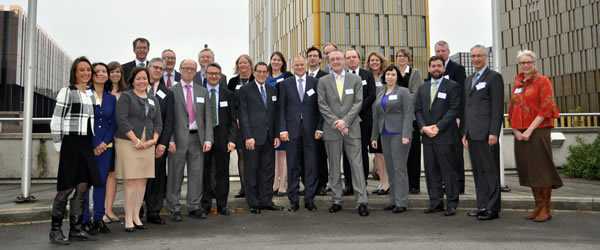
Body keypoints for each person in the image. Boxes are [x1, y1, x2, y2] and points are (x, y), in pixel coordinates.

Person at [49, 56, 99, 244]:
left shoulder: (91, 94)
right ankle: (55, 230)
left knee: (83, 186)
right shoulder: (66, 91)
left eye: (88, 70)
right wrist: (59, 145)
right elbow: (56, 120)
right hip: (71, 143)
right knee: (66, 187)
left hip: (86, 144)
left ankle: (76, 229)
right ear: (75, 73)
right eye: (81, 70)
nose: (86, 73)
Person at [508, 50, 562, 222]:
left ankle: (546, 208)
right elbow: (512, 109)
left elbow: (546, 108)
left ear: (534, 63)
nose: (525, 65)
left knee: (542, 169)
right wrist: (516, 131)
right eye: (522, 62)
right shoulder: (517, 83)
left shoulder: (542, 81)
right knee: (529, 170)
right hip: (521, 133)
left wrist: (529, 130)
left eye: (528, 62)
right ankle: (538, 205)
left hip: (538, 131)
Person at [317, 49, 369, 216]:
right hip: (332, 129)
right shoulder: (323, 81)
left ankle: (362, 201)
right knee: (333, 166)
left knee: (357, 165)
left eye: (339, 58)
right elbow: (322, 104)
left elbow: (358, 102)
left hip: (352, 128)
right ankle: (336, 200)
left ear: (345, 61)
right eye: (333, 59)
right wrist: (337, 123)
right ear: (328, 62)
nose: (336, 61)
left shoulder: (356, 79)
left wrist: (345, 121)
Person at [163, 59, 213, 222]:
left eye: (193, 69)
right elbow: (168, 119)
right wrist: (169, 139)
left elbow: (208, 118)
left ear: (196, 71)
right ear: (180, 70)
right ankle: (174, 207)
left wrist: (208, 139)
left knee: (196, 174)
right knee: (175, 174)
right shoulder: (172, 91)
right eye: (186, 68)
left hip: (197, 138)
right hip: (177, 139)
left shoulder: (202, 91)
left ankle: (194, 206)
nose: (189, 71)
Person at [115, 67, 162, 232]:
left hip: (148, 143)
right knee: (131, 181)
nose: (142, 81)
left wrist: (154, 140)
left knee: (142, 181)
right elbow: (121, 119)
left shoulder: (152, 99)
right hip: (129, 143)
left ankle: (136, 216)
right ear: (132, 80)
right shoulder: (126, 97)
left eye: (145, 78)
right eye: (139, 78)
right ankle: (128, 218)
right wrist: (135, 140)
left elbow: (158, 122)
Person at [461, 45, 504, 221]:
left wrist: (494, 132)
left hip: (487, 134)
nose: (476, 59)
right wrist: (464, 132)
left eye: (479, 55)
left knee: (490, 172)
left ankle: (493, 209)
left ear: (486, 57)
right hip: (472, 134)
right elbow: (466, 108)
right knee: (478, 172)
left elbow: (497, 108)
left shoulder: (494, 77)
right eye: (473, 56)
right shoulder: (469, 79)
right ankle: (482, 206)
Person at [415, 56, 461, 217]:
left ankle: (452, 203)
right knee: (431, 170)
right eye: (433, 66)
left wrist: (438, 127)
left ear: (443, 68)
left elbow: (454, 109)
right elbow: (418, 110)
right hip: (427, 136)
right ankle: (435, 202)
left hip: (445, 136)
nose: (436, 68)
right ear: (428, 68)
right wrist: (423, 127)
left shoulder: (452, 86)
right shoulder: (422, 88)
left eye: (439, 66)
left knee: (448, 171)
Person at [278, 55, 322, 212]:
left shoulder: (315, 83)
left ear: (306, 65)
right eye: (296, 65)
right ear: (292, 66)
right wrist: (282, 129)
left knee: (311, 166)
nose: (299, 67)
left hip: (311, 131)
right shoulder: (285, 84)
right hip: (291, 131)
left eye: (301, 64)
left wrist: (319, 127)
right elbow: (281, 109)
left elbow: (320, 108)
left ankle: (310, 199)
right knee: (293, 166)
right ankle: (294, 200)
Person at [238, 62, 283, 214]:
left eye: (265, 72)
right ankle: (253, 202)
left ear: (268, 73)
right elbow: (243, 115)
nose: (262, 74)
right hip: (252, 139)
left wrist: (276, 134)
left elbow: (275, 114)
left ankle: (266, 200)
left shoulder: (272, 89)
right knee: (252, 170)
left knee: (268, 170)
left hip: (269, 137)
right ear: (254, 72)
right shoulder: (245, 90)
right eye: (259, 71)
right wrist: (248, 136)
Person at [370, 65, 414, 214]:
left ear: (397, 77)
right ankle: (393, 200)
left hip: (399, 134)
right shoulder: (380, 92)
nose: (390, 77)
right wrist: (374, 136)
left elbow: (408, 114)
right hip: (384, 134)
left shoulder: (403, 92)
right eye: (388, 74)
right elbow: (376, 116)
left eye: (393, 74)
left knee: (399, 168)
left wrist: (406, 134)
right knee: (390, 169)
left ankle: (402, 202)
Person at [81, 62, 116, 235]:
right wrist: (93, 145)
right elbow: (84, 121)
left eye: (105, 71)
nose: (101, 74)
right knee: (86, 184)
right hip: (88, 147)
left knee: (101, 182)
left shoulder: (111, 98)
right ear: (92, 75)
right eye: (98, 71)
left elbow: (113, 123)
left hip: (106, 147)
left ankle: (98, 219)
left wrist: (104, 143)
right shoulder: (85, 95)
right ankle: (85, 220)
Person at [200, 63, 238, 216]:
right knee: (205, 172)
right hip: (204, 139)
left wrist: (232, 140)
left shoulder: (228, 94)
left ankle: (222, 205)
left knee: (222, 173)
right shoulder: (200, 93)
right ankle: (205, 204)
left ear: (221, 75)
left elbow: (233, 120)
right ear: (205, 75)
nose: (213, 76)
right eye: (210, 73)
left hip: (223, 139)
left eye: (216, 73)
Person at [434, 40, 467, 194]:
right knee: (443, 153)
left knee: (456, 153)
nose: (440, 54)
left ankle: (459, 185)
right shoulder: (434, 70)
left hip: (455, 117)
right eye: (438, 51)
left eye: (443, 51)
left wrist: (459, 116)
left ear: (448, 51)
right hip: (439, 119)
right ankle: (444, 184)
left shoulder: (458, 69)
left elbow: (462, 94)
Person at [342, 49, 376, 196]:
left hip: (363, 120)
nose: (351, 59)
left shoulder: (367, 75)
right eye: (348, 57)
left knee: (361, 152)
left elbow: (372, 95)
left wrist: (356, 110)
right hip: (347, 122)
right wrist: (349, 115)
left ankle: (362, 185)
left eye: (353, 57)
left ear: (358, 59)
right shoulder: (341, 76)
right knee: (347, 152)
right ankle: (349, 185)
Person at [144, 58, 174, 225]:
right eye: (154, 67)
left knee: (157, 178)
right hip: (138, 142)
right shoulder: (136, 88)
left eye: (160, 68)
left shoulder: (167, 93)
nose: (157, 70)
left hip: (158, 144)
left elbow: (169, 121)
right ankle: (137, 209)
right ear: (148, 68)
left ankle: (154, 211)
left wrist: (163, 143)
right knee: (139, 178)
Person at [395, 49, 424, 194]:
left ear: (409, 59)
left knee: (413, 152)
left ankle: (414, 185)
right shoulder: (392, 72)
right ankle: (402, 184)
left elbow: (415, 94)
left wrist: (398, 101)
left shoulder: (415, 73)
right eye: (398, 56)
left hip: (410, 118)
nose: (401, 58)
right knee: (399, 153)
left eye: (403, 56)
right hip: (395, 120)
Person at [227, 54, 255, 198]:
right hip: (238, 124)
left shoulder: (255, 79)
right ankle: (244, 188)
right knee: (241, 155)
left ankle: (253, 187)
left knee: (253, 156)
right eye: (240, 63)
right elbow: (230, 102)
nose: (243, 66)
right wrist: (236, 118)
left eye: (245, 63)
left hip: (253, 124)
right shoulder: (232, 82)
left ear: (250, 65)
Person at [103, 61, 127, 224]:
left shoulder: (126, 93)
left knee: (123, 176)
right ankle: (107, 210)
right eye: (112, 71)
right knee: (109, 175)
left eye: (118, 72)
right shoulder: (102, 92)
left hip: (124, 138)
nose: (115, 74)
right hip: (107, 138)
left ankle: (129, 210)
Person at [267, 51, 293, 197]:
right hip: (270, 119)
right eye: (273, 59)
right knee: (274, 152)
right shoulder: (267, 78)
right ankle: (275, 183)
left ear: (282, 63)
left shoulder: (287, 77)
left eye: (278, 60)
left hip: (283, 117)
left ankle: (283, 183)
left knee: (283, 152)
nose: (276, 62)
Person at [365, 51, 389, 195]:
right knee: (377, 152)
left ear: (381, 62)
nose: (374, 62)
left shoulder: (386, 76)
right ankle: (382, 182)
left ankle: (387, 183)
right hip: (371, 120)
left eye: (376, 60)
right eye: (371, 60)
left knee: (385, 152)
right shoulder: (366, 77)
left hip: (384, 120)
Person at [306, 46, 329, 195]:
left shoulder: (325, 77)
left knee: (320, 155)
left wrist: (321, 126)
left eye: (315, 56)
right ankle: (308, 184)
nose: (313, 58)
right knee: (306, 155)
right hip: (304, 123)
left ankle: (321, 184)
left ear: (320, 59)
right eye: (310, 56)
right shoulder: (302, 76)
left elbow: (326, 102)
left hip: (320, 122)